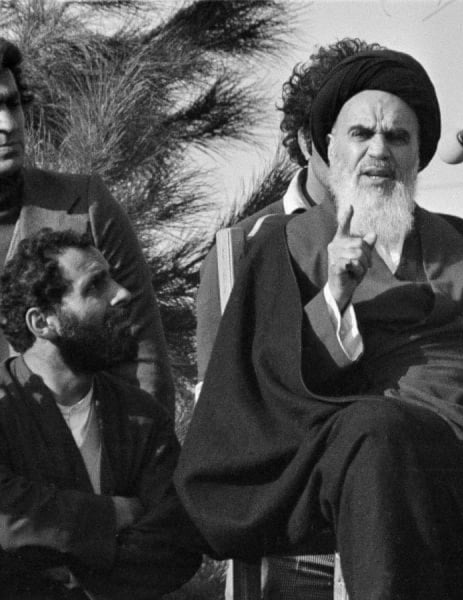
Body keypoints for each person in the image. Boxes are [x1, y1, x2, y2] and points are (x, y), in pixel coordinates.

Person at [176, 48, 463, 599]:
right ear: (328, 148)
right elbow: (263, 387)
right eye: (361, 134)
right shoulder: (285, 246)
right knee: (382, 431)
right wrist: (335, 295)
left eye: (397, 137)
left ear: (417, 155)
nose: (379, 149)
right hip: (390, 444)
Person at [195, 38, 384, 600]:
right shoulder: (244, 248)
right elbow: (224, 411)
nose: (371, 152)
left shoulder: (417, 234)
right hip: (293, 541)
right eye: (350, 132)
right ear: (308, 140)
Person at [0, 228, 200, 599]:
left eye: (113, 279)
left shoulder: (141, 416)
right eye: (95, 286)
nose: (122, 293)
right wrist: (112, 515)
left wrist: (63, 567)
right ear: (42, 322)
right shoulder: (6, 405)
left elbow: (176, 543)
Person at [0, 38, 173, 412]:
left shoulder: (86, 205)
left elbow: (144, 359)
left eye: (12, 104)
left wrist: (141, 444)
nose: (8, 125)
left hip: (88, 441)